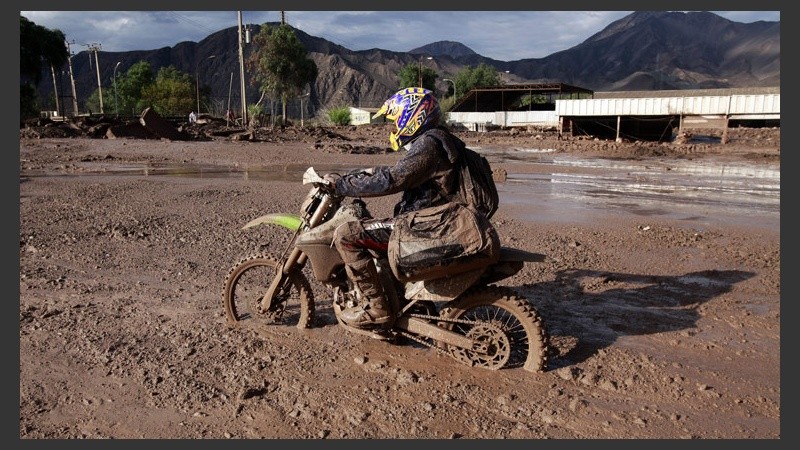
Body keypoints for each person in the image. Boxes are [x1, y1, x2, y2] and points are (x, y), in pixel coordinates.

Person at [323, 87, 466, 329]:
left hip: (427, 224)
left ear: (412, 116)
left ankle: (377, 307)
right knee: (378, 230)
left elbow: (393, 180)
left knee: (347, 236)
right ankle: (401, 299)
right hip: (437, 218)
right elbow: (400, 172)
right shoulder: (438, 139)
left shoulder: (429, 144)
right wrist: (365, 174)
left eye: (395, 119)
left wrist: (342, 186)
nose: (392, 126)